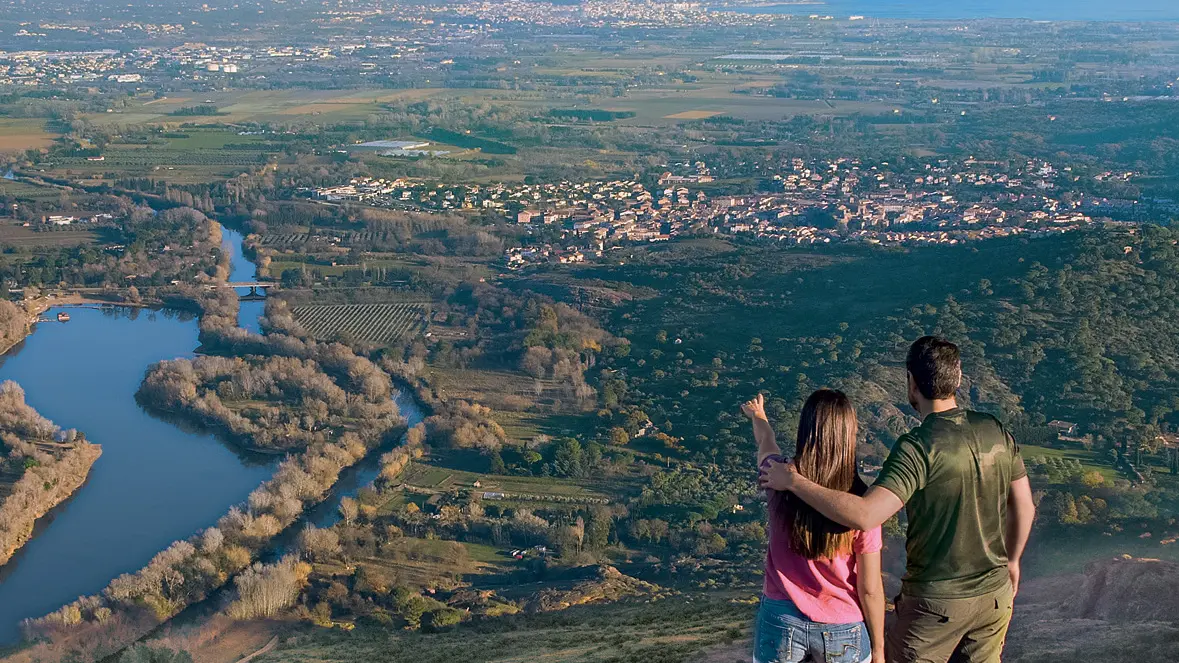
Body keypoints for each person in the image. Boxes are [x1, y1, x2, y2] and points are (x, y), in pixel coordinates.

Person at [760, 336, 1036, 663]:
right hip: (995, 599)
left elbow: (865, 515)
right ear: (958, 378)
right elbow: (1024, 505)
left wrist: (794, 481)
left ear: (911, 382)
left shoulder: (918, 447)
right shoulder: (995, 430)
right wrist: (1013, 559)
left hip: (936, 604)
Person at [743, 389, 886, 663]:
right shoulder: (862, 506)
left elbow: (766, 441)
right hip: (843, 624)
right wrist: (878, 649)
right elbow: (869, 589)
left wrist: (758, 415)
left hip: (780, 617)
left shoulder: (777, 477)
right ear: (848, 436)